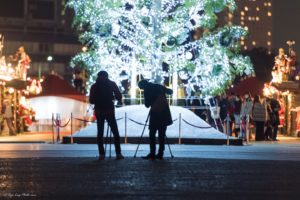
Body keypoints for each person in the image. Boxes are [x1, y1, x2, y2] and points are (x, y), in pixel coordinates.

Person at [89, 71, 124, 160]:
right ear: (107, 76)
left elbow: (91, 100)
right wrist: (112, 97)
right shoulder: (111, 84)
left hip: (99, 111)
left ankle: (102, 154)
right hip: (109, 111)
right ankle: (118, 153)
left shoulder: (94, 86)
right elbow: (119, 97)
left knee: (100, 132)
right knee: (115, 132)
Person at [138, 80, 173, 160]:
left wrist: (151, 99)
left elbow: (147, 105)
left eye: (141, 88)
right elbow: (170, 92)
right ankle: (160, 153)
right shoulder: (159, 86)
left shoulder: (147, 90)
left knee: (152, 134)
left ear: (143, 86)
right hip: (164, 113)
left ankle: (152, 153)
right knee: (161, 134)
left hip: (155, 114)